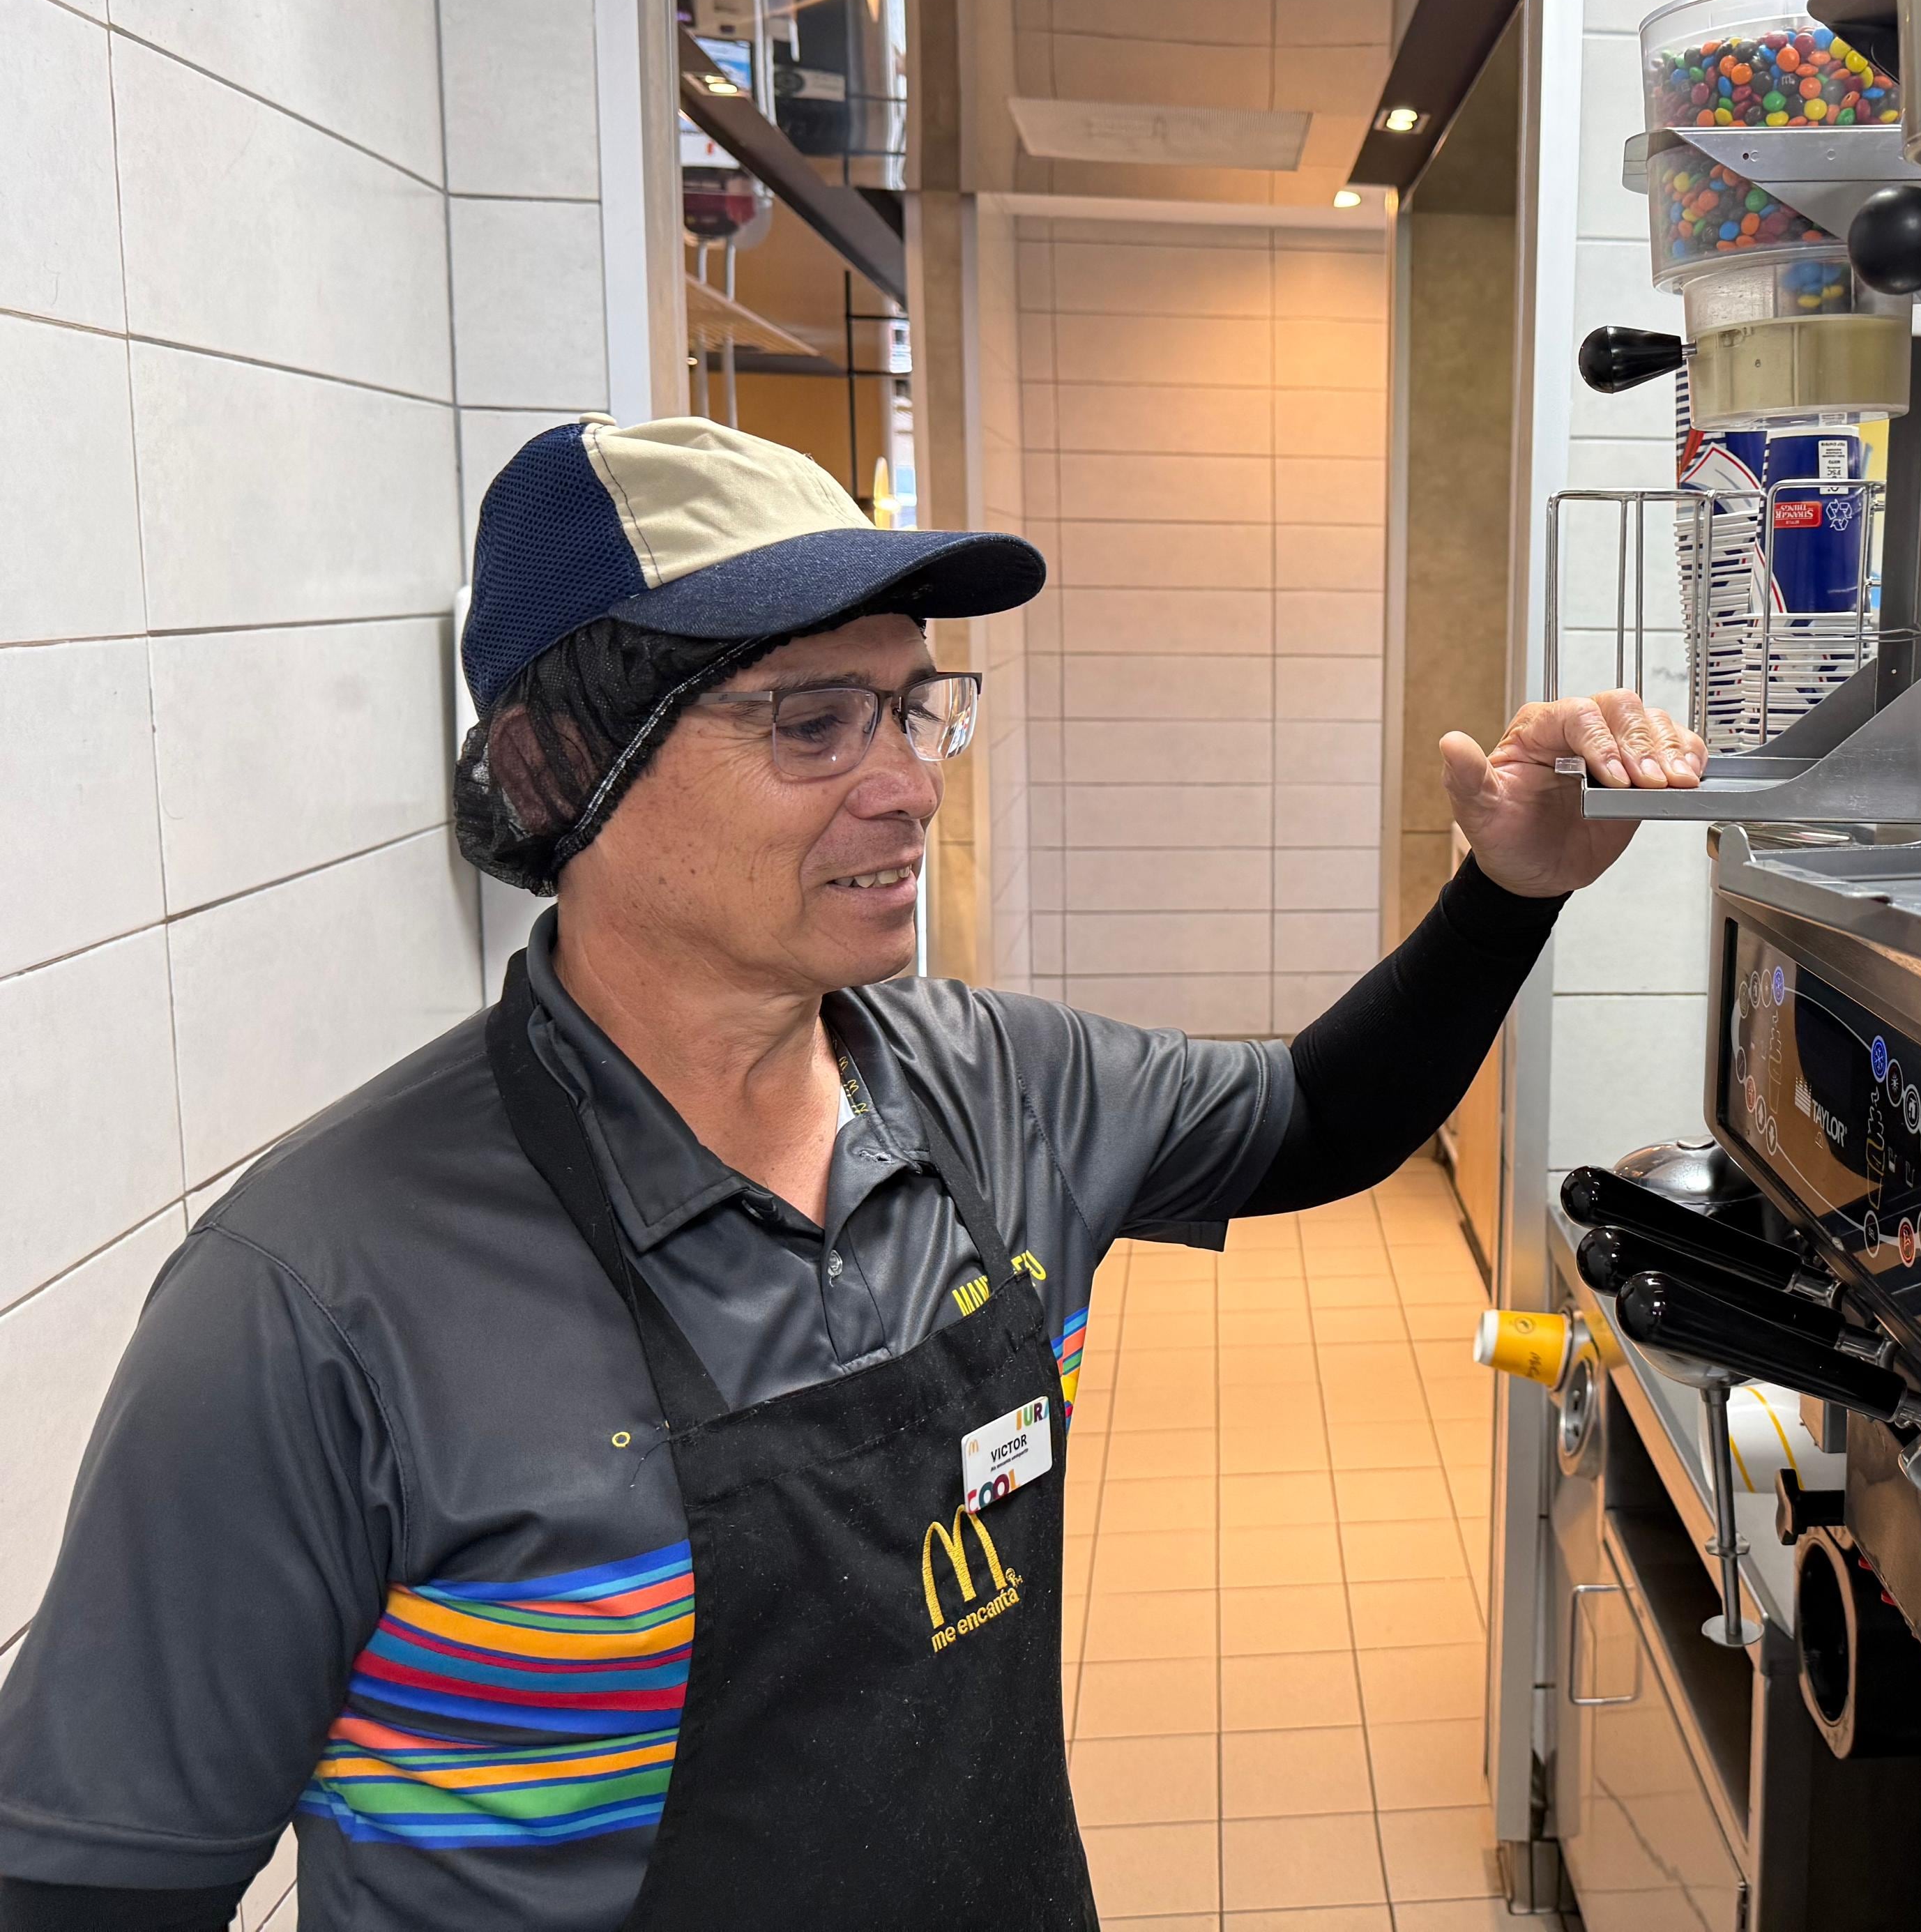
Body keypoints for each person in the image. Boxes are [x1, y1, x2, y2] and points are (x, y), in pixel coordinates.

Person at [0, 419, 1706, 1932]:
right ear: (552, 765)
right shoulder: (316, 1299)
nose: (907, 791)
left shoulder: (995, 1088)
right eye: (812, 723)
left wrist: (1513, 889)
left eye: (912, 708)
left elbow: (1316, 1124)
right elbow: (93, 1884)